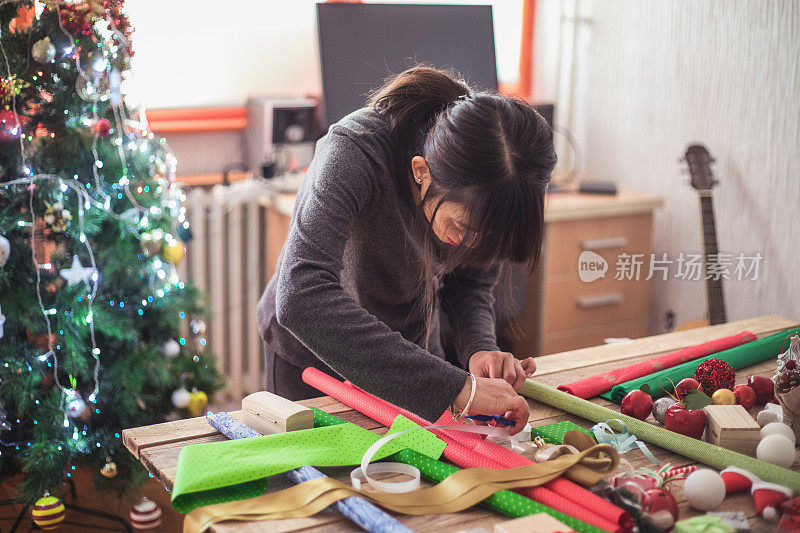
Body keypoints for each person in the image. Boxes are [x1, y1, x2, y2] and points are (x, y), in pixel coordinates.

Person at [256, 66, 556, 434]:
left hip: (409, 358)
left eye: (487, 238)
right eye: (462, 228)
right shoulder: (352, 152)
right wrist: (458, 388)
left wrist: (479, 349)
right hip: (313, 356)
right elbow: (301, 298)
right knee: (317, 482)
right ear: (420, 170)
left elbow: (471, 282)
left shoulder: (486, 183)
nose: (472, 246)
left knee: (403, 479)